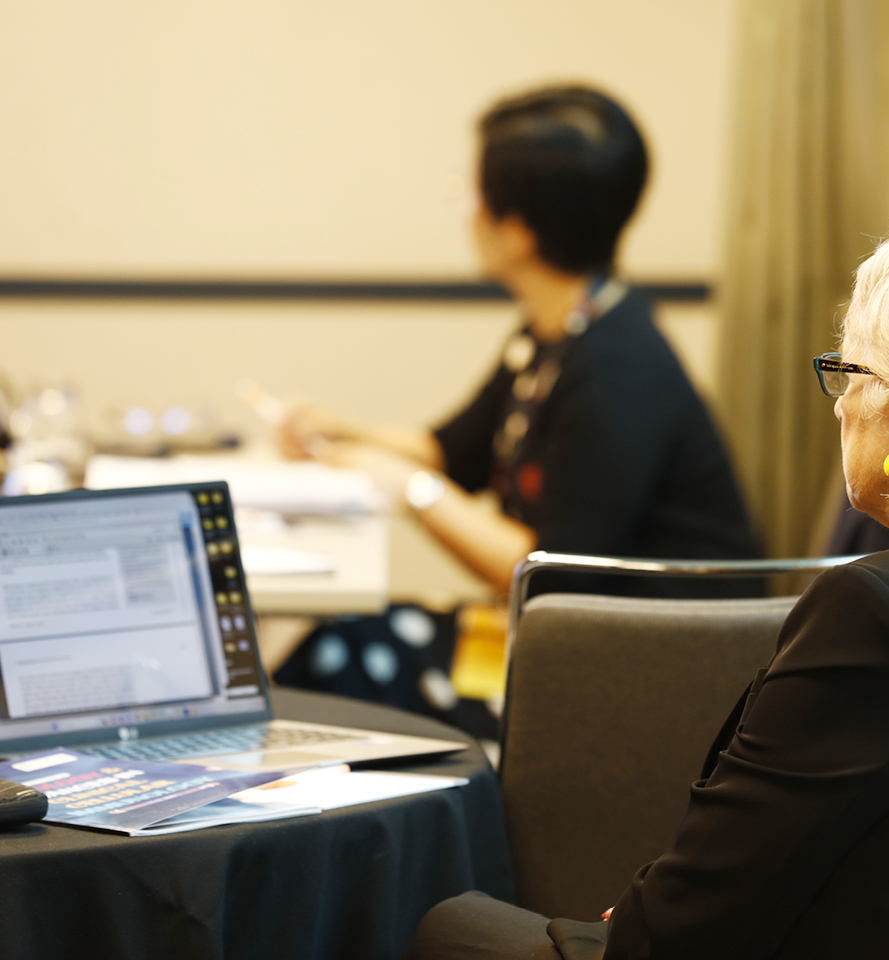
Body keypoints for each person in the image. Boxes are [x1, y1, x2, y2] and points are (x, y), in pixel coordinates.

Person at [402, 216, 889, 959]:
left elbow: (678, 930)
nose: (837, 403)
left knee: (447, 928)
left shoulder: (880, 615)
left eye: (849, 374)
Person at [274, 85, 758, 737]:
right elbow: (451, 450)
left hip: (635, 678)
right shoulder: (562, 327)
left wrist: (409, 489)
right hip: (561, 642)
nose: (466, 212)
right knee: (336, 639)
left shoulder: (615, 368)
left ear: (520, 230)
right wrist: (337, 431)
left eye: (473, 195)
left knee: (336, 657)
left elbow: (547, 573)